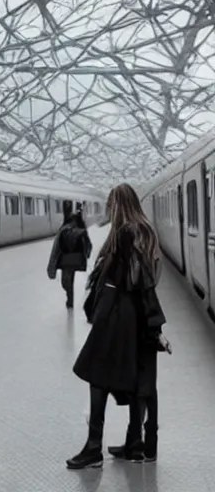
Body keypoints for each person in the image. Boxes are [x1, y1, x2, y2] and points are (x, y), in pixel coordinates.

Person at [66, 183, 168, 470]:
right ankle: (137, 444)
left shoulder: (126, 233)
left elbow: (138, 280)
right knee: (139, 382)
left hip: (119, 316)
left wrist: (103, 313)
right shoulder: (144, 230)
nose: (108, 210)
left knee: (96, 374)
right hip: (133, 316)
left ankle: (93, 449)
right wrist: (153, 323)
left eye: (111, 205)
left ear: (118, 205)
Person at [47, 210, 93, 308]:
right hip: (77, 260)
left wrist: (51, 268)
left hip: (65, 261)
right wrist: (86, 255)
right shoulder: (81, 230)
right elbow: (89, 245)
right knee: (70, 279)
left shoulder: (63, 230)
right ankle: (70, 299)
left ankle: (70, 298)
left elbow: (56, 249)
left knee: (66, 281)